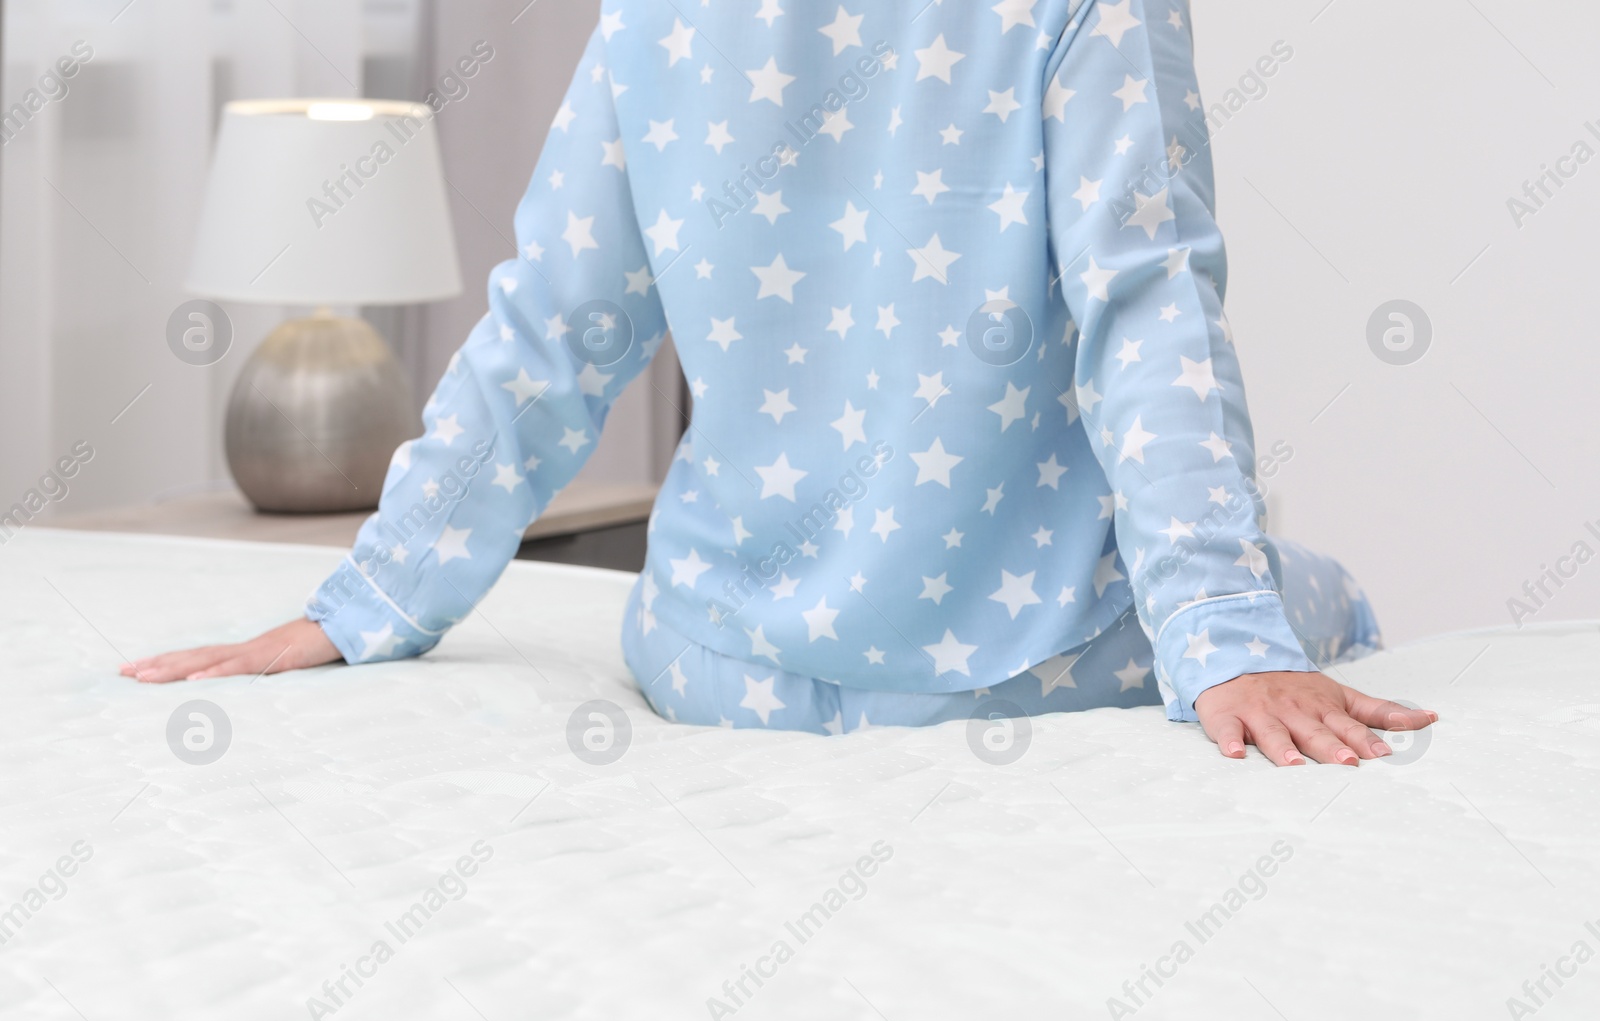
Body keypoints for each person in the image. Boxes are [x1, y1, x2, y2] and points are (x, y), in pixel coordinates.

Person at [123, 0, 1437, 764]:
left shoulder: (657, 16)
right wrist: (1227, 641)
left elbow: (553, 328)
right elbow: (1149, 311)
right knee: (1329, 589)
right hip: (1021, 662)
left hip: (716, 659)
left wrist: (374, 597)